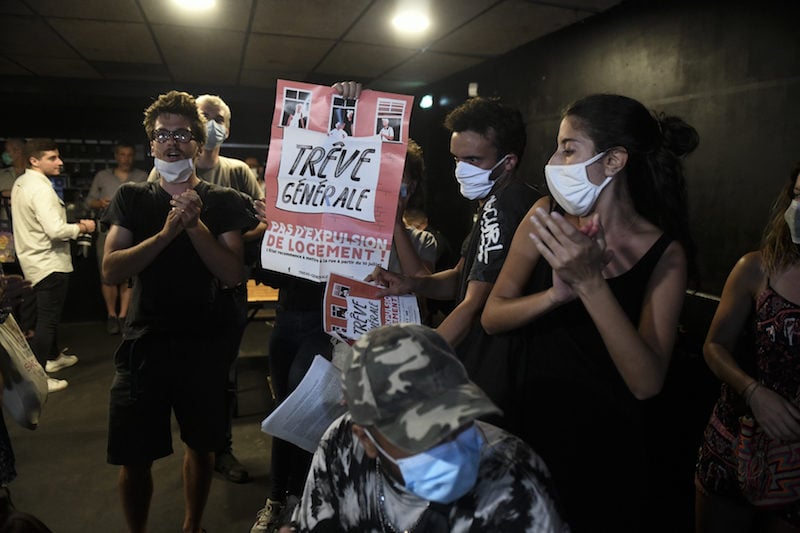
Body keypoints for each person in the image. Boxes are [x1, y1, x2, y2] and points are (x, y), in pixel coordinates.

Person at [480, 94, 699, 530]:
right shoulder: (545, 215)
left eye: (567, 148)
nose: (553, 161)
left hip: (604, 450)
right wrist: (554, 296)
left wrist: (591, 284)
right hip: (529, 426)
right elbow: (492, 316)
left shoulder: (664, 254)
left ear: (614, 160)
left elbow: (646, 382)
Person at [249, 125, 438, 533]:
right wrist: (281, 222)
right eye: (382, 178)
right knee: (312, 420)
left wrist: (393, 224)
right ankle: (303, 501)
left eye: (399, 179)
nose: (388, 186)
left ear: (412, 185)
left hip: (389, 360)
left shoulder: (421, 238)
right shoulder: (343, 229)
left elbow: (420, 280)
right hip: (337, 346)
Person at [102, 90, 252, 533]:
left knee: (202, 446)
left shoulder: (222, 199)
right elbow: (112, 269)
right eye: (162, 134)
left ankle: (193, 524)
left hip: (204, 344)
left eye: (182, 134)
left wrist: (196, 225)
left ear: (198, 143)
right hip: (143, 344)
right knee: (133, 455)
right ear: (151, 144)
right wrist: (167, 234)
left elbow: (232, 274)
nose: (172, 142)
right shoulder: (133, 196)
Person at [275, 323, 567, 532]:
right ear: (366, 438)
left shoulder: (514, 485)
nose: (448, 444)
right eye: (419, 436)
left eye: (457, 418)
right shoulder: (340, 445)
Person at [147, 93, 264, 483]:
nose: (211, 123)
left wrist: (225, 238)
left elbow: (263, 220)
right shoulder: (163, 169)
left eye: (218, 118)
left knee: (221, 374)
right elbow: (153, 220)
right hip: (178, 290)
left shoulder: (237, 173)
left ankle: (220, 448)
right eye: (204, 117)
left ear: (226, 128)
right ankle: (192, 448)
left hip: (226, 290)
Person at [365, 94, 539, 350]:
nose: (461, 169)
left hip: (504, 357)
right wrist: (413, 283)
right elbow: (460, 278)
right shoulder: (491, 204)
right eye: (457, 159)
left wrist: (416, 363)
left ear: (509, 162)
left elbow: (473, 305)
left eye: (473, 160)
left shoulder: (506, 205)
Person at [695, 162, 800, 532]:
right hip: (733, 442)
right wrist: (753, 392)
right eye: (798, 195)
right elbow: (714, 346)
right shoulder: (757, 267)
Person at [11, 138, 97, 393]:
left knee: (47, 318)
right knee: (46, 321)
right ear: (34, 160)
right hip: (48, 263)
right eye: (52, 158)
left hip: (33, 260)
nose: (59, 162)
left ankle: (53, 357)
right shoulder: (40, 188)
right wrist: (83, 227)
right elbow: (55, 230)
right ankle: (40, 377)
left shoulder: (21, 183)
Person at [86, 142, 147, 335]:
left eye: (129, 154)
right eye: (122, 154)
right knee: (108, 275)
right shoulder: (102, 176)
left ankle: (123, 316)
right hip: (107, 230)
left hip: (133, 231)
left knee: (129, 275)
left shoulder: (142, 177)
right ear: (116, 156)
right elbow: (90, 201)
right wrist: (101, 203)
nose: (126, 158)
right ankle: (111, 315)